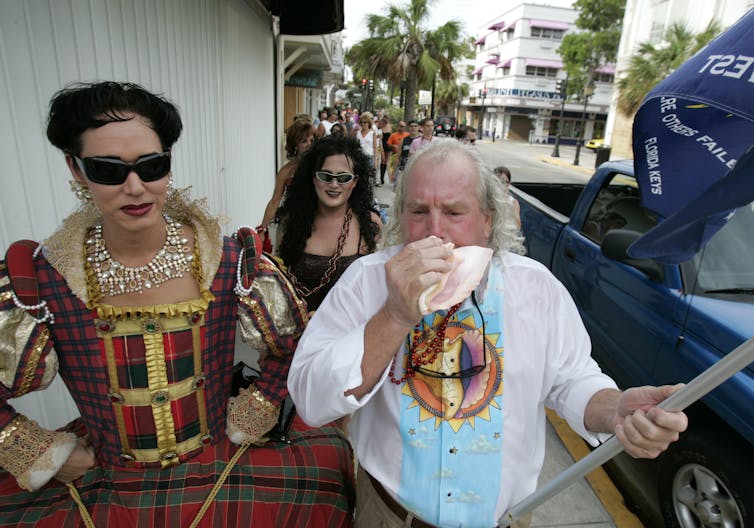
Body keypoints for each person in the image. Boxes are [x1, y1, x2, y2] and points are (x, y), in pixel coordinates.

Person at [0, 82, 354, 527]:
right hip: (109, 482)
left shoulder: (226, 260)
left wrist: (258, 407)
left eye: (151, 166)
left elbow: (292, 345)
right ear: (76, 168)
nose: (135, 187)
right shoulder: (45, 278)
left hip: (221, 467)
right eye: (108, 170)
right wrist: (44, 455)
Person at [288, 139, 688, 528]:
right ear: (399, 216)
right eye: (418, 211)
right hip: (389, 516)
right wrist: (393, 314)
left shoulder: (536, 289)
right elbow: (311, 398)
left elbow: (571, 381)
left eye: (455, 212)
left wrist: (614, 409)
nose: (435, 232)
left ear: (488, 221)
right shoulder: (366, 281)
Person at [276, 135, 382, 312]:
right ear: (313, 178)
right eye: (325, 176)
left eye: (343, 178)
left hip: (348, 334)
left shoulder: (370, 224)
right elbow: (278, 283)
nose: (334, 184)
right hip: (297, 333)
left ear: (355, 182)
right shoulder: (291, 221)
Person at [259, 118, 315, 238]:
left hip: (315, 227)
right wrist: (262, 229)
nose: (309, 144)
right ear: (295, 144)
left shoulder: (322, 166)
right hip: (289, 228)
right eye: (304, 141)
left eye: (312, 140)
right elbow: (274, 201)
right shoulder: (286, 171)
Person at [356, 112, 380, 183]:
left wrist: (376, 161)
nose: (363, 124)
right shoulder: (358, 133)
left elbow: (375, 148)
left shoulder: (372, 133)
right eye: (361, 122)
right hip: (359, 158)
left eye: (365, 122)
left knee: (368, 179)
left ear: (369, 123)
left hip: (369, 157)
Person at [386, 120, 409, 185]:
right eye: (401, 126)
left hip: (404, 156)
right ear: (398, 127)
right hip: (395, 155)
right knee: (396, 169)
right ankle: (395, 181)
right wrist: (393, 146)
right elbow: (388, 145)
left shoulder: (407, 135)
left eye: (404, 126)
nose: (403, 128)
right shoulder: (393, 135)